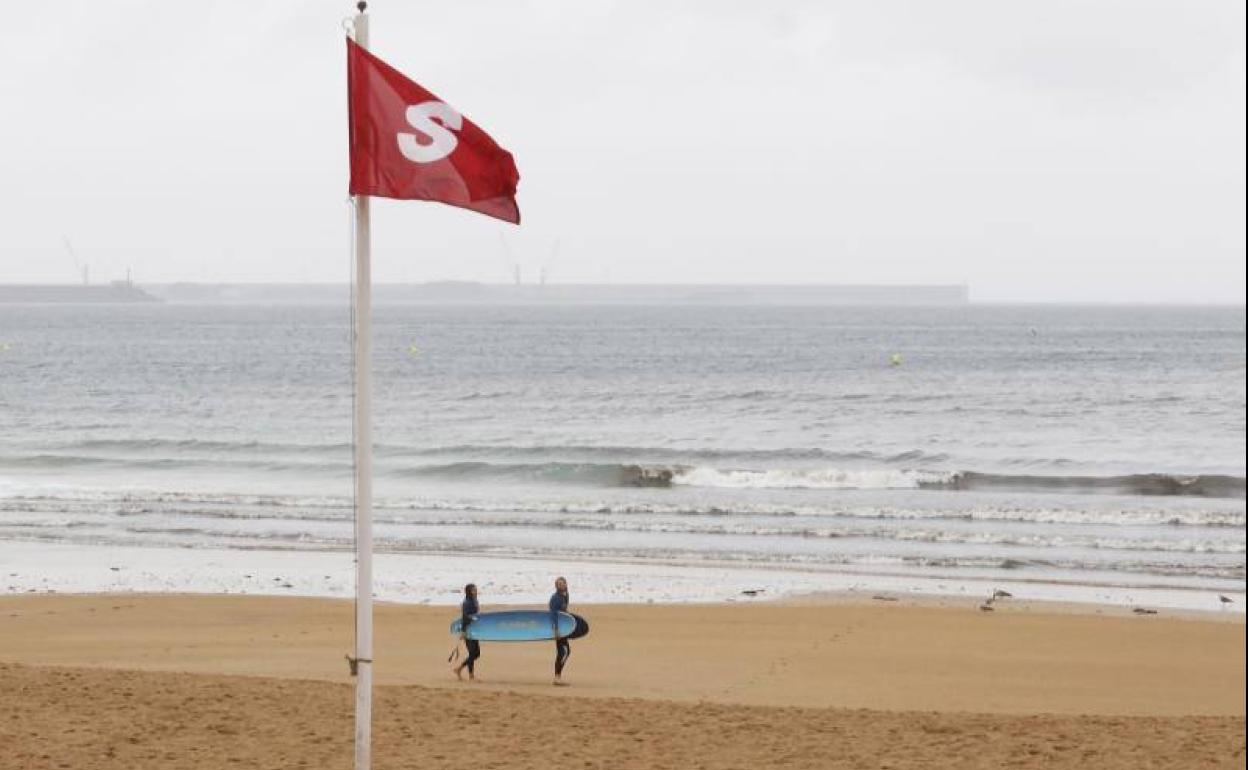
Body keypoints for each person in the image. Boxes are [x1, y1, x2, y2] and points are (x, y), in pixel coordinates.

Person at [454, 583, 481, 681]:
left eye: (476, 589)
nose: (476, 591)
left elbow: (476, 615)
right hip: (468, 630)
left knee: (475, 653)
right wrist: (463, 632)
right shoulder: (467, 603)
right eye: (473, 590)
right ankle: (469, 675)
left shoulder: (474, 601)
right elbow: (465, 618)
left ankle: (461, 670)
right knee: (473, 653)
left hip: (474, 630)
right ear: (469, 591)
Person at [549, 576, 571, 686]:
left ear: (566, 584)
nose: (561, 585)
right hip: (559, 629)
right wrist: (556, 630)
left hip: (564, 628)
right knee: (563, 652)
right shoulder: (555, 598)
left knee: (564, 652)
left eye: (563, 583)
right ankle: (557, 678)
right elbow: (553, 615)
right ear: (556, 586)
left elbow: (564, 611)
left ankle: (558, 677)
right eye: (559, 584)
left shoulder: (565, 596)